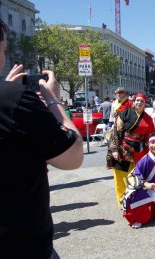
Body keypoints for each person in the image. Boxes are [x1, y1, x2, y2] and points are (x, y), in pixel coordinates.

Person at [0, 21, 84, 258]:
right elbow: (74, 156)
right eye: (4, 49)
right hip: (20, 244)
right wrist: (54, 100)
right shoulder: (13, 99)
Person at [108, 93, 155, 208]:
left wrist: (151, 152)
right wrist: (114, 149)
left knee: (137, 177)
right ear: (134, 101)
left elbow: (150, 136)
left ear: (145, 104)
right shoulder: (124, 114)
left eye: (141, 101)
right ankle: (122, 202)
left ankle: (134, 201)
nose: (139, 103)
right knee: (121, 176)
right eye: (137, 100)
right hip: (122, 148)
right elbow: (115, 131)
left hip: (139, 150)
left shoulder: (148, 119)